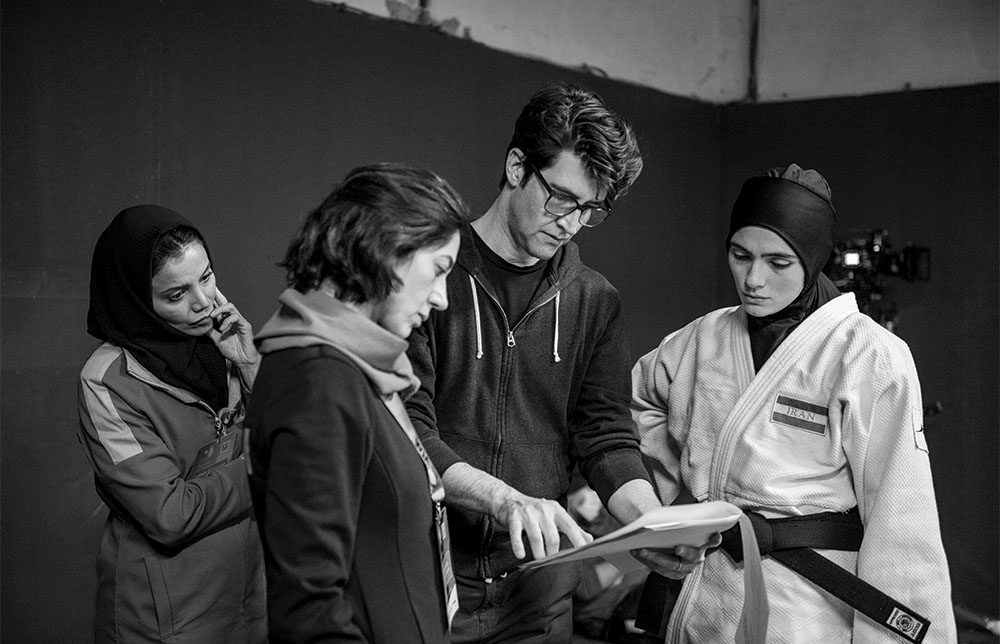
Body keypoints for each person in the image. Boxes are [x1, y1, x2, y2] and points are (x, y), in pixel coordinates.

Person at [405, 81, 714, 643]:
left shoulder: (595, 300)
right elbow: (409, 432)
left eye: (592, 210)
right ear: (517, 166)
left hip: (539, 597)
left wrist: (646, 524)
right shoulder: (430, 278)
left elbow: (605, 437)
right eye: (562, 199)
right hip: (431, 583)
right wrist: (503, 499)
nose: (572, 222)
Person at [632, 164, 957, 642]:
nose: (753, 279)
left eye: (777, 262)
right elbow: (636, 407)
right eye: (740, 255)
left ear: (813, 258)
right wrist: (673, 505)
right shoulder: (701, 339)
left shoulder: (867, 354)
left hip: (803, 605)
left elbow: (902, 519)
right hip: (704, 591)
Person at [247, 163, 467, 643]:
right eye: (439, 270)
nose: (442, 298)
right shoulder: (318, 380)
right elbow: (310, 613)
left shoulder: (357, 368)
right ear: (386, 248)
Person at [76, 205, 266, 643]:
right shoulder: (106, 380)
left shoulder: (225, 342)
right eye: (176, 295)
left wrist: (253, 367)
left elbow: (294, 437)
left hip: (246, 610)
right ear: (139, 301)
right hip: (164, 625)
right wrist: (268, 464)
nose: (203, 303)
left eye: (205, 277)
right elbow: (170, 514)